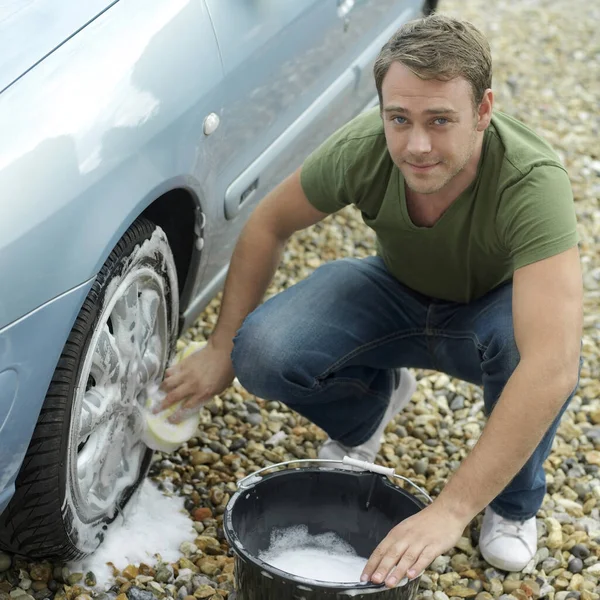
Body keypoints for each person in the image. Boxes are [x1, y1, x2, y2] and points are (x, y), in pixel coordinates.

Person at [159, 14, 583, 589]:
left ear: (483, 110)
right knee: (259, 350)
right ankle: (366, 414)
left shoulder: (532, 182)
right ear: (382, 107)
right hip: (394, 292)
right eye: (399, 118)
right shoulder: (364, 148)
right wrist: (218, 347)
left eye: (440, 120)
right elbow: (267, 224)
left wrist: (449, 510)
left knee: (532, 351)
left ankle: (513, 501)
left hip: (489, 314)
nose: (416, 144)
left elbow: (552, 366)